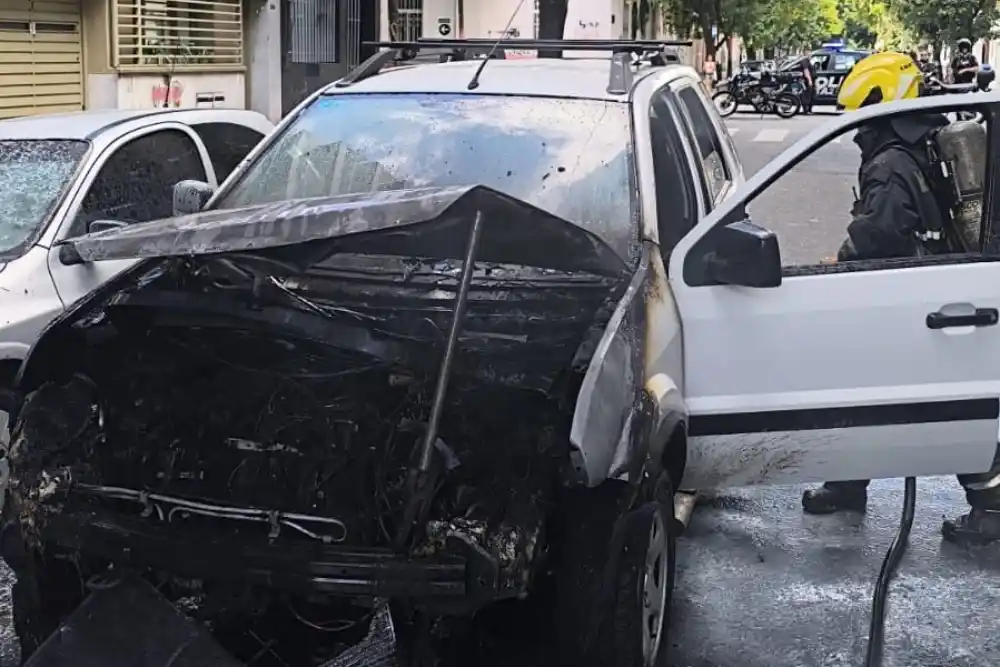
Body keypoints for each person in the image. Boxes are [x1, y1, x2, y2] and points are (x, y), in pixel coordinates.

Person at [800, 51, 1000, 545]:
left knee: (925, 402)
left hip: (909, 290)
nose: (856, 127)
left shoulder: (889, 160)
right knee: (878, 391)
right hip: (933, 281)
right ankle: (849, 482)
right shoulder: (927, 137)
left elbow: (882, 230)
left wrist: (840, 258)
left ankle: (991, 508)